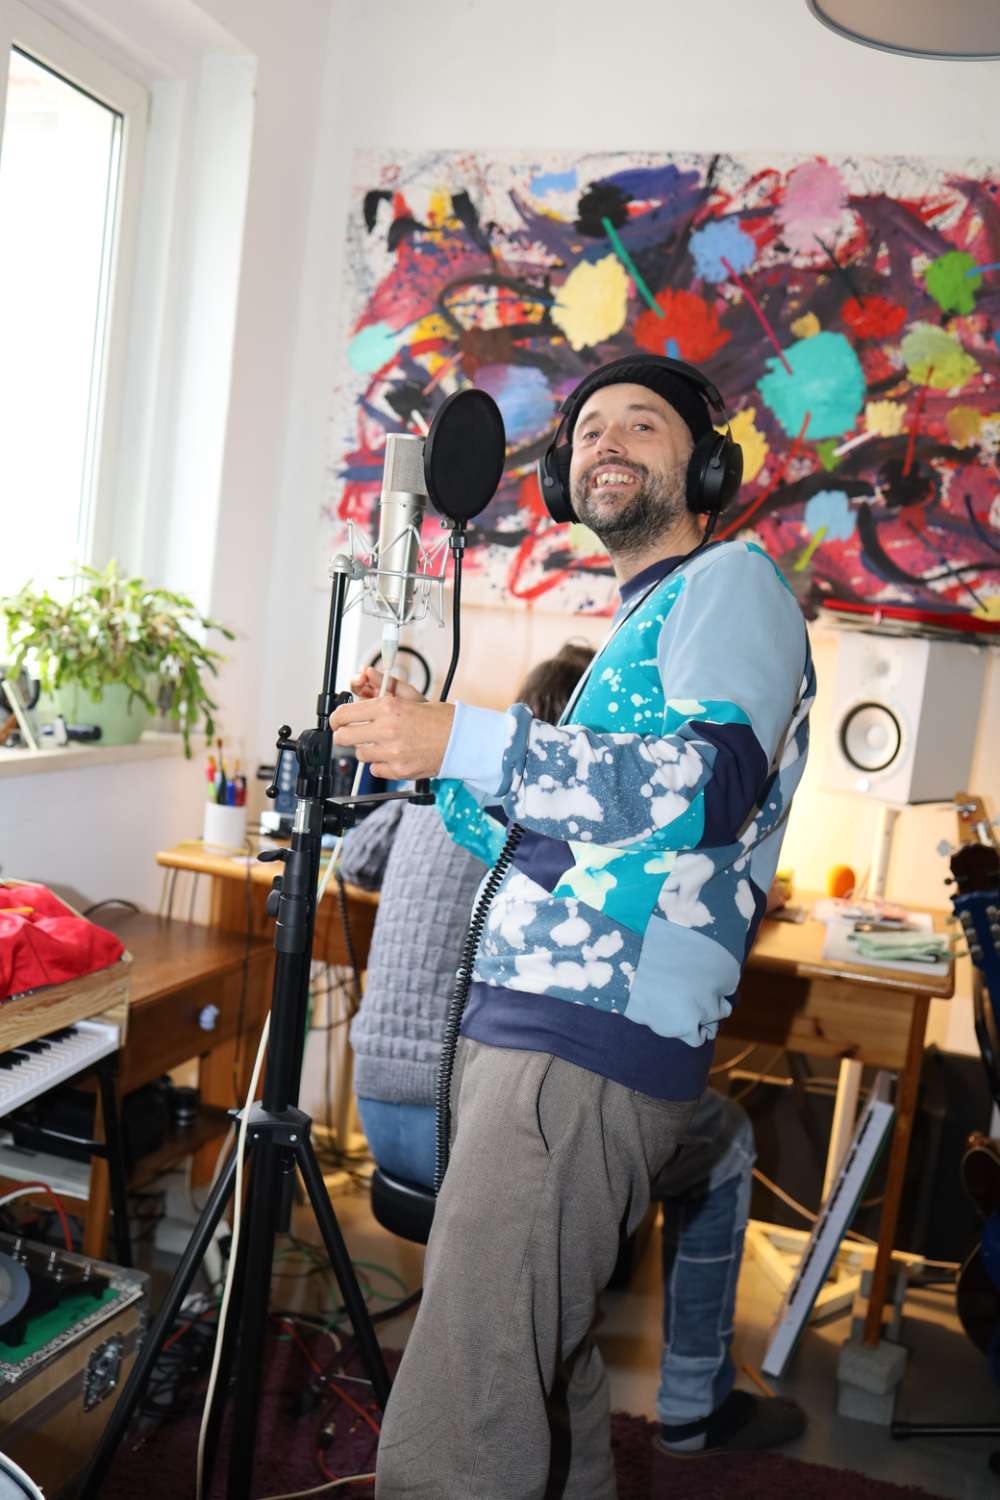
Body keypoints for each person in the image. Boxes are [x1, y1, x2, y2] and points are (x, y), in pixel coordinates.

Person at [332, 353, 816, 1498]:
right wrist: (430, 752)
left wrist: (471, 738)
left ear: (704, 469)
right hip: (536, 1030)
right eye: (588, 429)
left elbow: (707, 787)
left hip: (580, 1041)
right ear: (559, 476)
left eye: (641, 426)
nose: (605, 441)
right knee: (542, 1372)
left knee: (464, 1405)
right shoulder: (641, 625)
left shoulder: (730, 583)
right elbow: (548, 833)